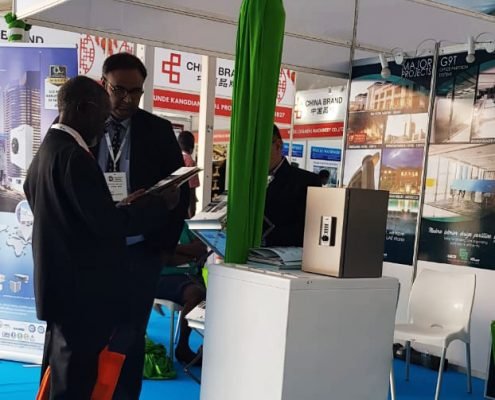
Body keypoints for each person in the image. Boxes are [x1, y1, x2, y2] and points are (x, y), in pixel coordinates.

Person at [23, 76, 179, 399]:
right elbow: (108, 225)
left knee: (61, 374)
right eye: (102, 114)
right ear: (83, 108)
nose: (105, 123)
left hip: (61, 287)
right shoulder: (74, 157)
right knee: (75, 381)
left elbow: (57, 205)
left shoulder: (49, 149)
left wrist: (120, 207)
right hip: (81, 294)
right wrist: (157, 204)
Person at [96, 53, 189, 399]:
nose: (127, 99)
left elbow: (178, 191)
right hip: (91, 251)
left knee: (131, 337)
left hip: (139, 251)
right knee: (91, 335)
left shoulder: (158, 130)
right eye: (119, 90)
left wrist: (162, 250)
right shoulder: (84, 124)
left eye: (135, 91)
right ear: (103, 84)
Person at [155, 226, 208, 364]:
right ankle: (183, 347)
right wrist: (189, 254)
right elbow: (165, 258)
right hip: (162, 277)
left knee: (217, 294)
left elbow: (201, 250)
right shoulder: (157, 224)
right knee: (196, 294)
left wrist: (174, 248)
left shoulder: (187, 226)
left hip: (189, 277)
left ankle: (210, 346)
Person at [264, 125, 321, 247]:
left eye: (258, 148)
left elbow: (309, 232)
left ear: (278, 145)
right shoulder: (245, 181)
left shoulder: (307, 181)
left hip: (279, 255)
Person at [178, 130, 200, 217]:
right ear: (192, 147)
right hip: (184, 209)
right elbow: (191, 191)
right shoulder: (190, 163)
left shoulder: (175, 159)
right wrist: (192, 216)